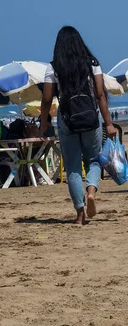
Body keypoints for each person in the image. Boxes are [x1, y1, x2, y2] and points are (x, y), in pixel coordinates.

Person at [40, 26, 117, 224]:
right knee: (93, 161)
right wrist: (108, 123)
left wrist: (43, 124)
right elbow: (100, 94)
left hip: (67, 120)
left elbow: (47, 99)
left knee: (73, 168)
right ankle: (91, 191)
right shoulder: (92, 63)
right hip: (91, 118)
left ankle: (80, 213)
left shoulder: (54, 67)